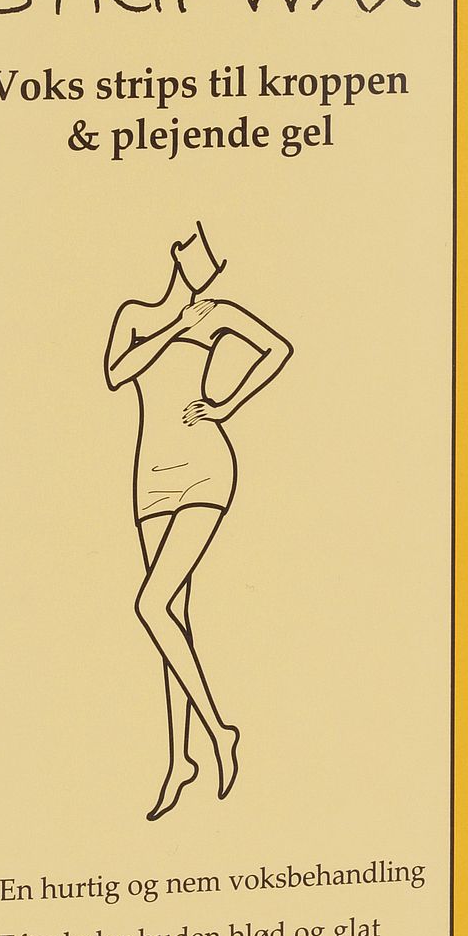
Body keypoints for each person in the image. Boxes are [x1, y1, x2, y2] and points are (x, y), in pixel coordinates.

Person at [102, 224, 293, 819]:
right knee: (172, 618)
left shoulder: (217, 314)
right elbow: (116, 373)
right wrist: (175, 328)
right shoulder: (135, 315)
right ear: (177, 258)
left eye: (210, 267)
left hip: (205, 466)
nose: (203, 273)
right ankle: (178, 762)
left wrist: (227, 405)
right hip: (150, 478)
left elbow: (278, 349)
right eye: (197, 260)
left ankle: (219, 732)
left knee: (151, 604)